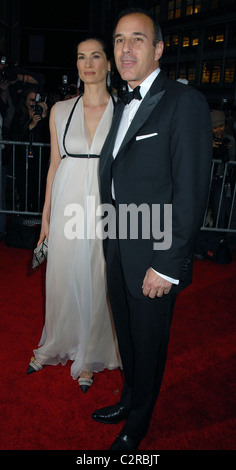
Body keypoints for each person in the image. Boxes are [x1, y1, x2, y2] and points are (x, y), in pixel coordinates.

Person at [92, 8, 212, 449]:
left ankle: (139, 423)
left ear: (159, 48)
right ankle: (129, 397)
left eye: (137, 39)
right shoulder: (121, 101)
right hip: (119, 243)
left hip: (155, 254)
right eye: (120, 39)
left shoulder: (185, 103)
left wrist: (167, 263)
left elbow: (191, 191)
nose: (125, 49)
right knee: (127, 336)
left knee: (149, 341)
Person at [26, 36, 120, 392]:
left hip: (102, 206)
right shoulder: (60, 110)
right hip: (66, 202)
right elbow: (53, 165)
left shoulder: (123, 110)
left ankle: (90, 356)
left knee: (97, 279)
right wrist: (46, 218)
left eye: (96, 56)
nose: (89, 64)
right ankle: (56, 344)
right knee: (62, 277)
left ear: (108, 64)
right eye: (81, 57)